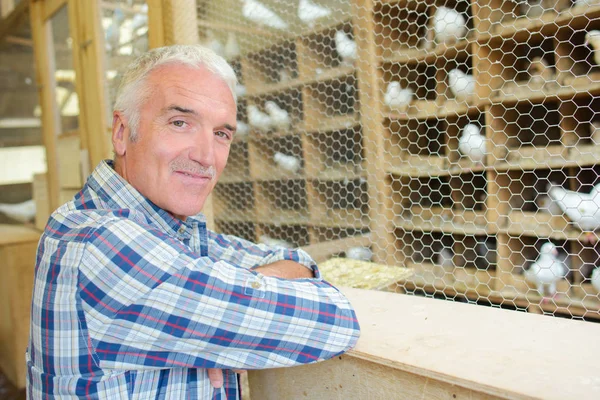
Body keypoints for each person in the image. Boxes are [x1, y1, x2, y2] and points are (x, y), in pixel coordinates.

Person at [26, 44, 360, 398]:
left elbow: (297, 262)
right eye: (180, 123)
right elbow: (334, 321)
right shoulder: (102, 243)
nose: (205, 157)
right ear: (122, 132)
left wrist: (229, 318)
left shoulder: (166, 227)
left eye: (221, 134)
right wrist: (237, 314)